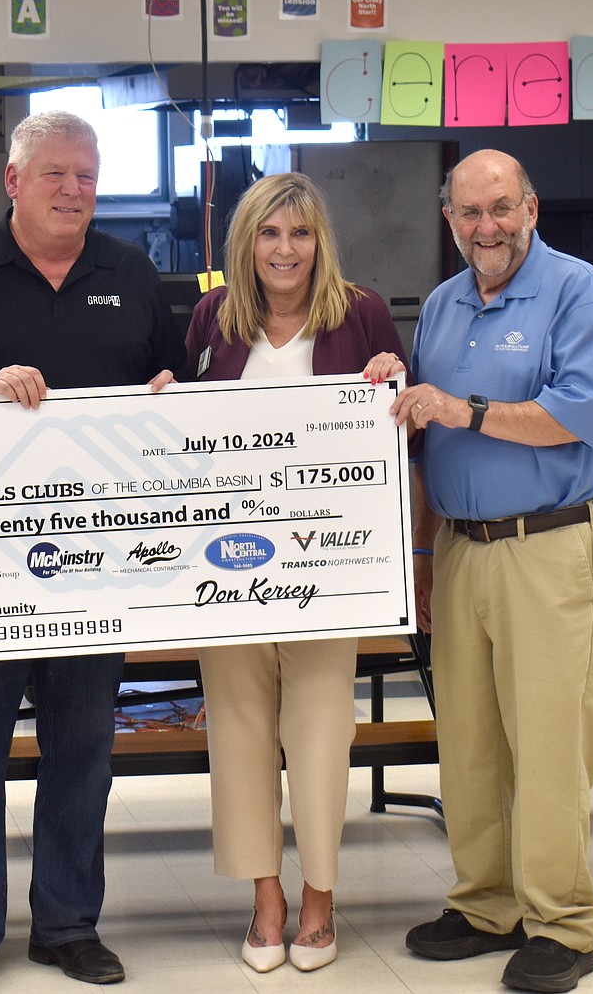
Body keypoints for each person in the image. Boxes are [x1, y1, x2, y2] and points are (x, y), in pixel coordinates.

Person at [0, 110, 185, 994]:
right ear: (13, 181)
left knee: (83, 746)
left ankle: (67, 925)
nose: (72, 190)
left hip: (100, 561)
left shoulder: (129, 272)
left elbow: (175, 389)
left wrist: (170, 396)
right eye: (53, 174)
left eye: (86, 176)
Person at [387, 149, 593, 994]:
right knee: (473, 742)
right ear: (449, 220)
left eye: (500, 209)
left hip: (549, 545)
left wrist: (464, 407)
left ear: (531, 207)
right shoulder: (445, 305)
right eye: (468, 213)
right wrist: (418, 553)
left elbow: (572, 416)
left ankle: (561, 920)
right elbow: (424, 440)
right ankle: (485, 903)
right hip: (460, 549)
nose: (486, 227)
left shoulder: (578, 290)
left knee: (552, 739)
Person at [184, 172, 410, 974]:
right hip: (228, 571)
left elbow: (400, 441)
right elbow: (182, 436)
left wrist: (393, 388)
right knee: (239, 732)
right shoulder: (214, 318)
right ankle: (265, 896)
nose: (285, 249)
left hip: (328, 572)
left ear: (322, 242)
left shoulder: (364, 313)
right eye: (269, 234)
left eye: (300, 233)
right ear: (246, 243)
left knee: (320, 730)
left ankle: (319, 895)